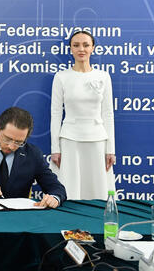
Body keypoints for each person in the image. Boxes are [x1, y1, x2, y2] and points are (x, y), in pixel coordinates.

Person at [50, 31, 115, 200]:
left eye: (86, 45)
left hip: (98, 140)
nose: (81, 49)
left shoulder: (103, 76)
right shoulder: (61, 77)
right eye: (76, 45)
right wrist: (55, 149)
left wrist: (111, 150)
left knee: (98, 189)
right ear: (70, 49)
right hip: (69, 140)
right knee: (69, 188)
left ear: (93, 48)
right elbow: (56, 114)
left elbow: (108, 114)